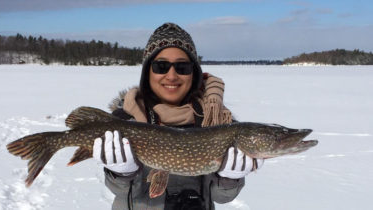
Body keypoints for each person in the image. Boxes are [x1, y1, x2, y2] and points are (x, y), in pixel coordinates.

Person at [92, 22, 264, 210]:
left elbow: (220, 197)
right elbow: (120, 192)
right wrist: (121, 176)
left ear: (194, 73)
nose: (172, 76)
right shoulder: (123, 120)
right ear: (148, 72)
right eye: (161, 66)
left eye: (182, 67)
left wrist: (229, 180)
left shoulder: (218, 122)